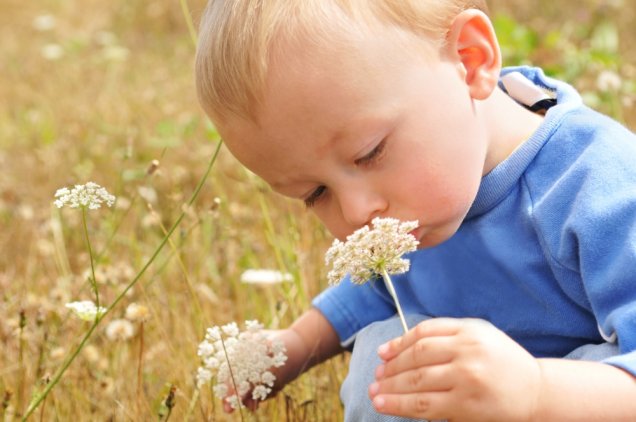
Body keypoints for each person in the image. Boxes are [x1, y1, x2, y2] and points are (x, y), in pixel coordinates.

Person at [194, 1, 636, 420]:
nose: (357, 211)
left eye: (369, 153)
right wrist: (296, 345)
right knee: (386, 355)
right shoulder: (422, 210)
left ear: (470, 59)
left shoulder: (595, 182)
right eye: (315, 193)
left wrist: (537, 392)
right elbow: (378, 290)